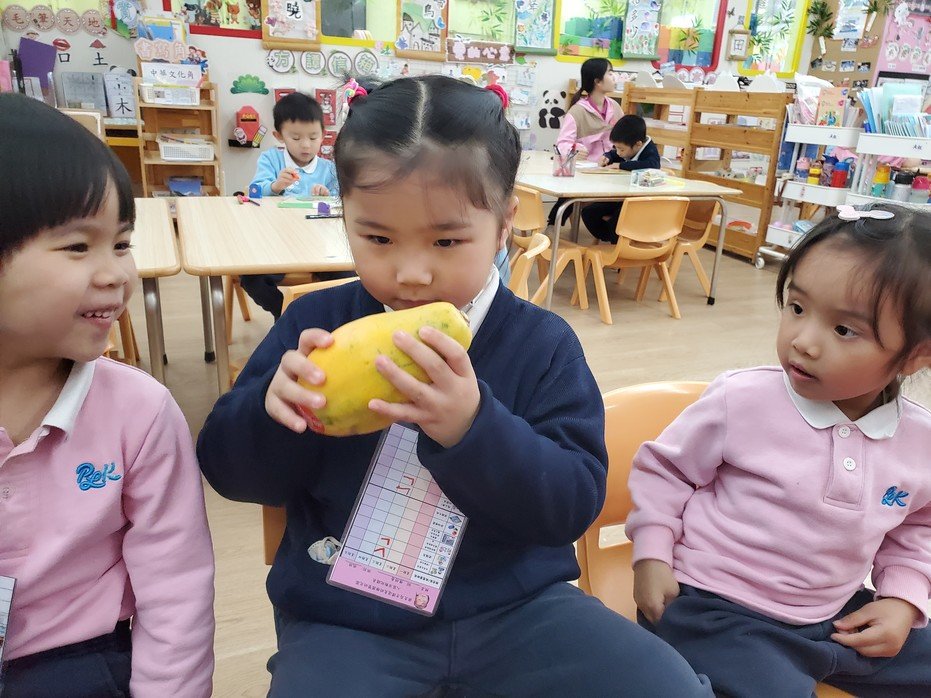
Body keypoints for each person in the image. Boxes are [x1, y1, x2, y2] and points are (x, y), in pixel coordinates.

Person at [197, 75, 712, 697]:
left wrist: (474, 429)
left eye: (446, 240)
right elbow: (231, 473)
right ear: (345, 215)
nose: (411, 273)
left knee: (669, 687)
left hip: (516, 609)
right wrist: (271, 412)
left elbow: (571, 504)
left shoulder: (541, 344)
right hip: (350, 618)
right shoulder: (316, 327)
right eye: (377, 238)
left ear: (504, 224)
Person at [628, 203, 931, 697]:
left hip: (834, 613)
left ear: (917, 354)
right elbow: (666, 472)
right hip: (715, 607)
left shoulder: (920, 441)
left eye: (844, 330)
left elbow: (918, 525)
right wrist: (652, 553)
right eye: (797, 308)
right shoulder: (741, 399)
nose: (803, 341)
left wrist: (902, 598)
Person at [0, 94, 214, 697]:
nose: (116, 273)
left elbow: (176, 588)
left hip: (81, 660)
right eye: (78, 246)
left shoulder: (140, 412)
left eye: (121, 244)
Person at [244, 92, 340, 319]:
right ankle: (287, 315)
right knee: (252, 279)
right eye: (296, 138)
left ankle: (322, 317)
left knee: (347, 276)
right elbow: (255, 191)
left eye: (313, 137)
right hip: (276, 244)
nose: (306, 145)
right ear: (279, 136)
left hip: (318, 248)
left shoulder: (328, 169)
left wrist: (327, 196)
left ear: (323, 135)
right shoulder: (271, 160)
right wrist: (275, 186)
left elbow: (339, 203)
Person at [548, 58, 622, 227]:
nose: (614, 77)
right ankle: (553, 225)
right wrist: (575, 148)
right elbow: (562, 144)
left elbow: (624, 137)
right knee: (570, 195)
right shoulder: (577, 111)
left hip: (610, 170)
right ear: (597, 82)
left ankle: (613, 234)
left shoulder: (615, 108)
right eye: (610, 73)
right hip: (585, 172)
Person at [581, 115, 661, 244]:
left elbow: (652, 165)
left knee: (618, 221)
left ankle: (617, 242)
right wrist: (607, 156)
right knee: (588, 212)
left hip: (639, 203)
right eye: (616, 147)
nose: (618, 152)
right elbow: (615, 154)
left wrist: (620, 165)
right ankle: (611, 239)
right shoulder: (627, 147)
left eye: (621, 149)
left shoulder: (650, 150)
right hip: (621, 197)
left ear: (638, 144)